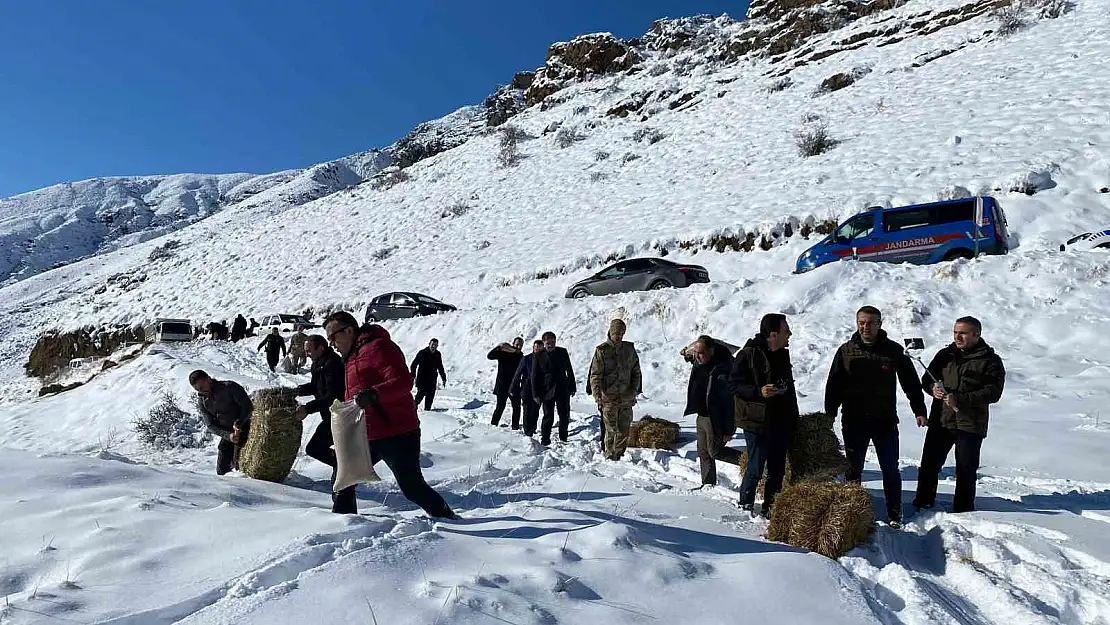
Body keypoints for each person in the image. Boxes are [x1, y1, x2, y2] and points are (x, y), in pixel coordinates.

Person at [323, 312, 459, 519]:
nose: (331, 343)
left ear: (349, 330)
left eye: (333, 337)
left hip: (397, 432)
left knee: (412, 487)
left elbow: (404, 382)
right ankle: (345, 524)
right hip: (365, 433)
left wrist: (374, 394)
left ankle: (446, 516)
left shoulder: (379, 348)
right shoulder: (351, 357)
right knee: (343, 481)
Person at [825, 306, 928, 526]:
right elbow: (834, 384)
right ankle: (851, 513)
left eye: (871, 322)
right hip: (854, 420)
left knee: (890, 468)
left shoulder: (893, 351)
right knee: (853, 469)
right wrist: (830, 414)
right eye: (862, 322)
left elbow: (910, 383)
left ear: (880, 324)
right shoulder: (846, 351)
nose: (866, 327)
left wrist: (919, 410)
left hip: (885, 421)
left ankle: (894, 513)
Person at [913, 316, 1005, 514]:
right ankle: (923, 503)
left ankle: (963, 510)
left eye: (962, 333)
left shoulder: (990, 360)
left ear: (976, 335)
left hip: (970, 424)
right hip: (941, 420)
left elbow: (993, 392)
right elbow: (926, 379)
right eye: (955, 332)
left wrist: (960, 399)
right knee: (929, 465)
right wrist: (932, 389)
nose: (957, 336)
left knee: (965, 469)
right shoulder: (945, 354)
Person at [730, 313, 799, 517]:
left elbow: (790, 386)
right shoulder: (748, 354)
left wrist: (794, 415)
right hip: (756, 420)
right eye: (786, 331)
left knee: (778, 469)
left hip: (780, 419)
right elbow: (733, 384)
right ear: (773, 334)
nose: (790, 334)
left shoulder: (782, 354)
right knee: (755, 467)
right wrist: (758, 391)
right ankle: (745, 507)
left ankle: (771, 508)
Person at [293, 335, 348, 511]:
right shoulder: (319, 363)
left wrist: (307, 409)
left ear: (321, 348)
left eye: (309, 349)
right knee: (314, 448)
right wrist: (295, 391)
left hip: (340, 416)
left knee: (316, 448)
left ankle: (340, 504)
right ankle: (340, 463)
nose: (306, 353)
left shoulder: (333, 364)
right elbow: (315, 387)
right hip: (329, 416)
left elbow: (333, 395)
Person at [685, 336, 741, 487]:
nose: (697, 356)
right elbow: (692, 356)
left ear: (711, 350)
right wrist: (687, 354)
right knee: (703, 452)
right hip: (701, 415)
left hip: (715, 417)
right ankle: (708, 484)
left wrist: (729, 429)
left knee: (715, 451)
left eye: (700, 353)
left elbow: (731, 402)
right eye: (695, 353)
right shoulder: (701, 360)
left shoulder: (724, 368)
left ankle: (748, 462)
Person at [589, 319, 642, 460]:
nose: (619, 336)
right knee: (611, 429)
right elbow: (595, 375)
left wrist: (633, 391)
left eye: (621, 333)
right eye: (616, 333)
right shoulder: (602, 351)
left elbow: (636, 372)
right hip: (608, 397)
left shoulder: (629, 350)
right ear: (610, 333)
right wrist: (597, 396)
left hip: (626, 397)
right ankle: (610, 455)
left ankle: (619, 454)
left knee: (624, 429)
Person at [189, 370, 253, 475]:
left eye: (201, 386)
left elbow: (248, 407)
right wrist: (228, 436)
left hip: (245, 428)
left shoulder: (230, 387)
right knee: (221, 471)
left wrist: (239, 423)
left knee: (240, 468)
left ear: (208, 379)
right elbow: (210, 425)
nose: (200, 390)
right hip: (228, 434)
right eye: (197, 388)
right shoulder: (202, 401)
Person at [531, 331, 576, 446]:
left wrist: (572, 385)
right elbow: (534, 376)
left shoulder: (562, 352)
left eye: (553, 342)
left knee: (564, 414)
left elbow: (569, 370)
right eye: (548, 343)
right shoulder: (538, 355)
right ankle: (545, 438)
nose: (551, 344)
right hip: (546, 390)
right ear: (544, 343)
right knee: (548, 416)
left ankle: (563, 437)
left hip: (562, 387)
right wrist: (535, 394)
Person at [488, 338, 525, 428]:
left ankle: (515, 427)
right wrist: (499, 348)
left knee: (517, 407)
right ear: (513, 344)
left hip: (515, 386)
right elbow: (490, 356)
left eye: (520, 345)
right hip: (502, 385)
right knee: (500, 407)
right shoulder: (504, 353)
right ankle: (493, 425)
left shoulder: (521, 356)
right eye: (517, 344)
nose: (518, 346)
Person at [512, 340, 544, 437]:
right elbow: (518, 373)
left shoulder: (545, 359)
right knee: (526, 410)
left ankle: (532, 428)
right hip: (526, 389)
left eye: (539, 347)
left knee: (535, 410)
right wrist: (512, 387)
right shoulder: (527, 359)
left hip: (539, 389)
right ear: (533, 348)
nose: (537, 349)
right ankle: (527, 431)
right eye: (535, 347)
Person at [410, 338, 447, 410]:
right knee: (419, 397)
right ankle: (412, 410)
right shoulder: (422, 353)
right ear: (429, 344)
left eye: (436, 345)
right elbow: (414, 364)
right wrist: (413, 375)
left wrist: (443, 377)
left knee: (430, 399)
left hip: (432, 380)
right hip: (422, 380)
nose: (434, 346)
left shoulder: (437, 354)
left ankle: (427, 415)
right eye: (432, 344)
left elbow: (440, 367)